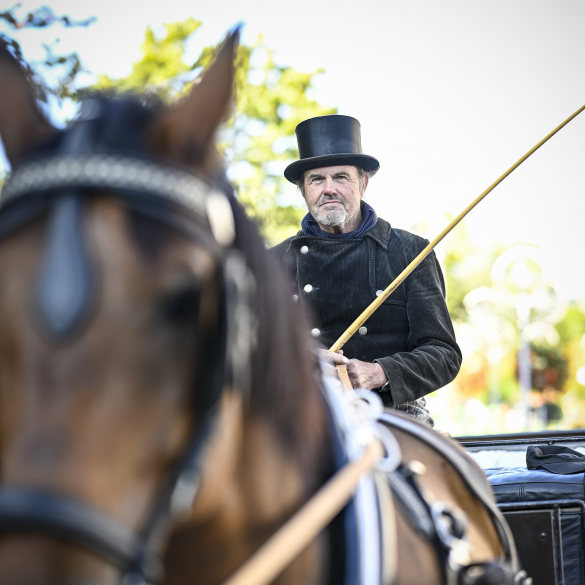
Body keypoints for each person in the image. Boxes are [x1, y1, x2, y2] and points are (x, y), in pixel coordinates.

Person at [271, 115, 462, 426]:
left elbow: (444, 355)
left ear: (363, 183)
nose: (328, 189)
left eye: (341, 177)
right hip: (299, 420)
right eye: (316, 180)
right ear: (304, 191)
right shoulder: (272, 264)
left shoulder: (412, 252)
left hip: (393, 415)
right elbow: (244, 353)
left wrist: (381, 372)